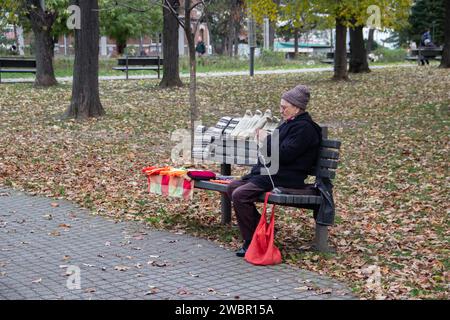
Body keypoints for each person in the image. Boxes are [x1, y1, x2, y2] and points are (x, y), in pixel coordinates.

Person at [226, 85, 322, 257]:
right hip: (272, 173)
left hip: (286, 177)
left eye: (284, 107)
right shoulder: (289, 124)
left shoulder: (305, 128)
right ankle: (260, 231)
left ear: (297, 107)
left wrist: (266, 139)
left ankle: (251, 242)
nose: (281, 110)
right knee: (232, 187)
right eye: (281, 106)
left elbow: (285, 154)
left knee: (240, 195)